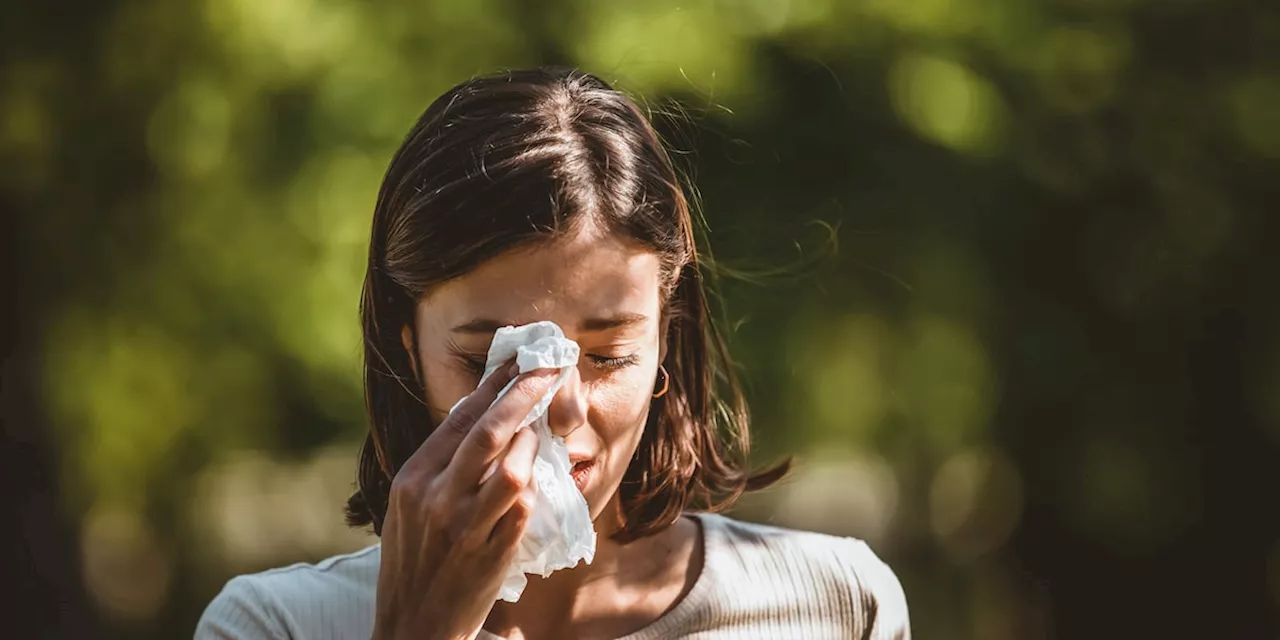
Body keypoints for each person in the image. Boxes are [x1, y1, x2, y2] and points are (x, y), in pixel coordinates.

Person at [195, 67, 910, 640]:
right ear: (405, 348)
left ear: (666, 340)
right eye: (491, 364)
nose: (560, 405)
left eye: (607, 355)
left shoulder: (836, 608)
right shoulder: (273, 626)